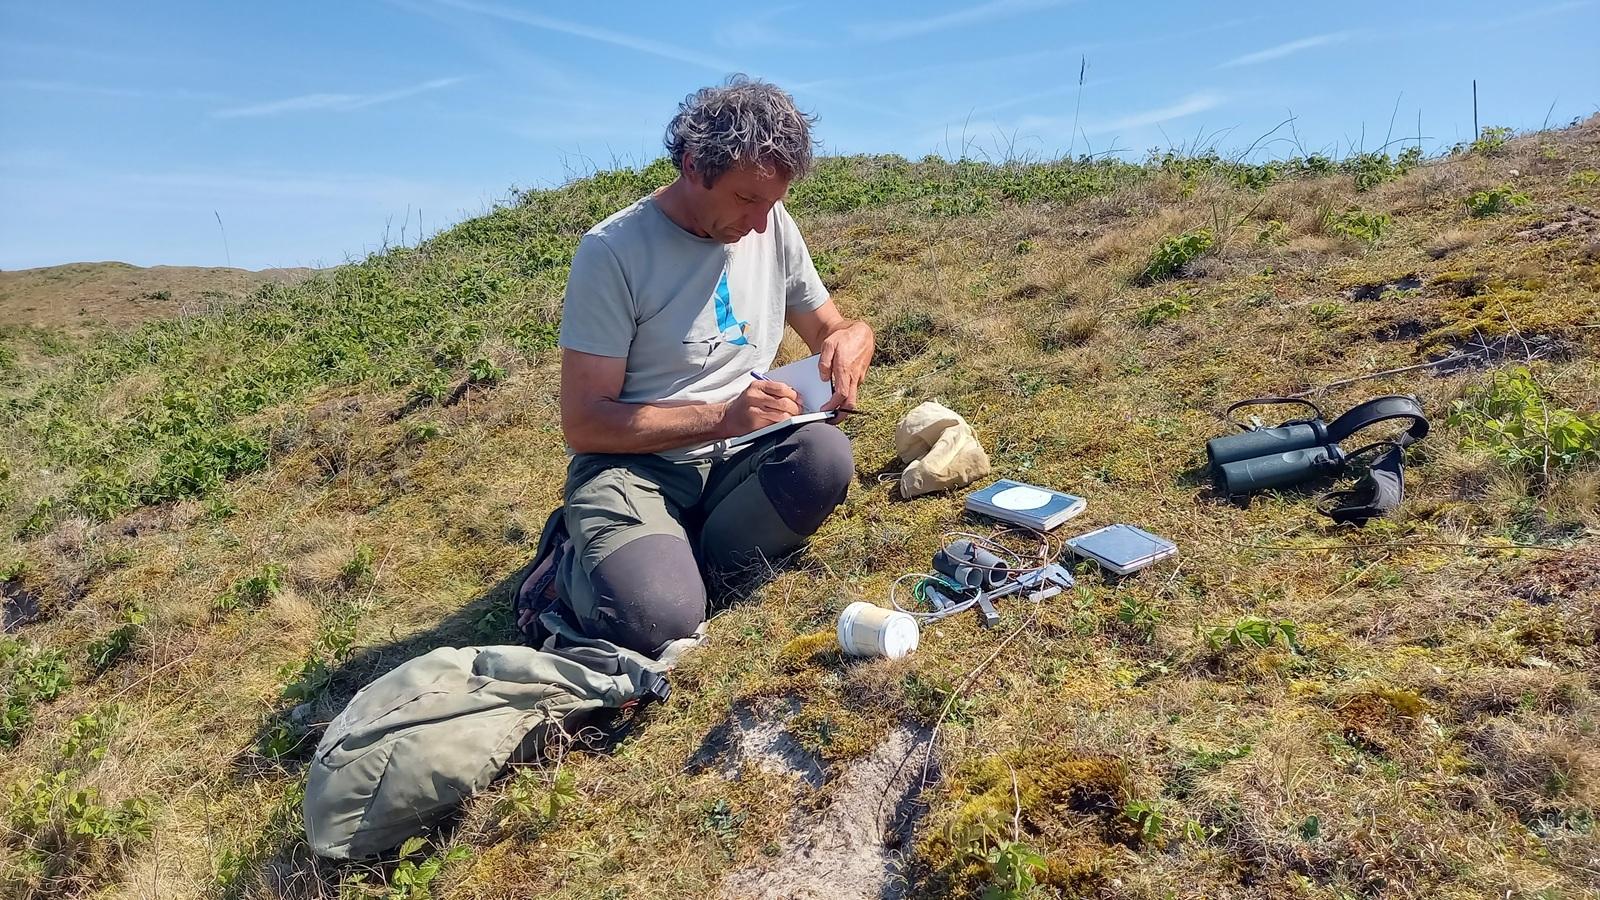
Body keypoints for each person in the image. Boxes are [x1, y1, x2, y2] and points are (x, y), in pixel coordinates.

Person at [518, 76, 875, 657]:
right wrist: (721, 418)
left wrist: (855, 337)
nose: (761, 222)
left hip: (739, 452)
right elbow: (585, 425)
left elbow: (828, 327)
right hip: (636, 466)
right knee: (655, 620)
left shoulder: (771, 222)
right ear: (691, 164)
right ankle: (573, 565)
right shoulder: (613, 253)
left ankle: (674, 561)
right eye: (746, 199)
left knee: (825, 459)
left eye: (773, 202)